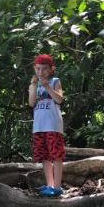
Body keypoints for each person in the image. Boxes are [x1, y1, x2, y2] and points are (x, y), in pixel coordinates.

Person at [28, 54, 65, 197]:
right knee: (44, 156)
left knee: (56, 156)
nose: (41, 72)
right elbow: (31, 103)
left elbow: (59, 99)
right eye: (38, 69)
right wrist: (33, 86)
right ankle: (49, 184)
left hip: (53, 125)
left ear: (51, 69)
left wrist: (47, 87)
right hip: (39, 126)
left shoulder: (55, 81)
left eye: (44, 69)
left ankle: (57, 187)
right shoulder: (34, 84)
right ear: (34, 68)